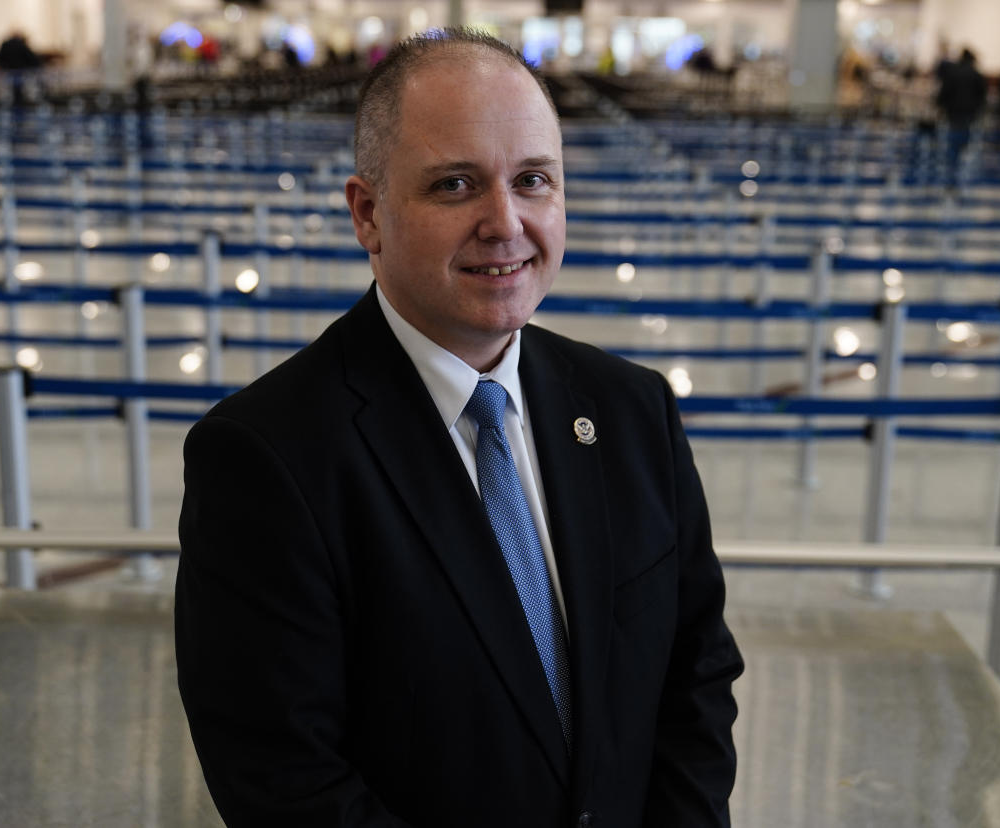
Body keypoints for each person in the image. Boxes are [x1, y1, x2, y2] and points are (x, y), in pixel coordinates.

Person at [175, 28, 743, 828]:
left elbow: (697, 674)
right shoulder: (269, 457)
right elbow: (283, 778)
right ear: (368, 213)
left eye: (533, 180)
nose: (505, 222)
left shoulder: (630, 410)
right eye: (454, 185)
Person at [936, 47, 987, 183]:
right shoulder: (976, 74)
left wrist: (940, 105)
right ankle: (961, 165)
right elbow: (982, 95)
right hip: (969, 112)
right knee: (964, 137)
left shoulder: (953, 72)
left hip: (953, 111)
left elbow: (945, 91)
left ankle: (952, 166)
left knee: (953, 138)